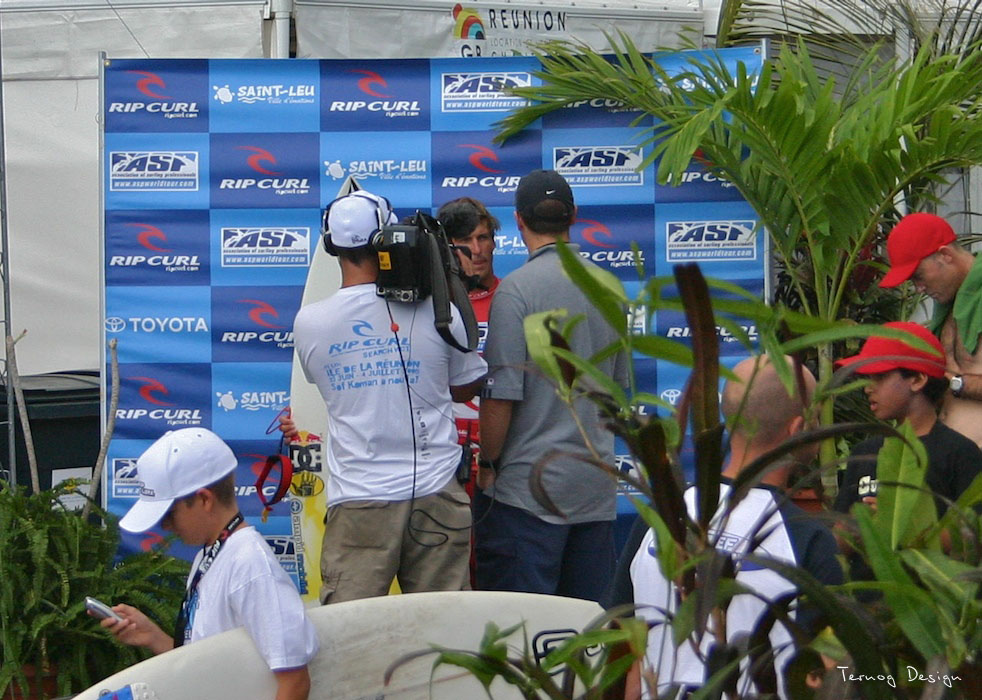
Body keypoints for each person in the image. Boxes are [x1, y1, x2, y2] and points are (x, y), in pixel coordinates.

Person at [284, 189, 487, 604]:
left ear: (331, 246)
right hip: (437, 495)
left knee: (352, 630)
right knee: (444, 628)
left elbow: (328, 388)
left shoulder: (310, 323)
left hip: (359, 503)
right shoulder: (439, 309)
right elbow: (467, 385)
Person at [606, 356, 843, 699]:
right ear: (797, 428)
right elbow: (827, 673)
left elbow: (624, 654)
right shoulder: (806, 537)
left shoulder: (659, 517)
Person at [475, 169, 629, 601]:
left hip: (528, 493)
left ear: (519, 220)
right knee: (585, 626)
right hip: (593, 487)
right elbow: (618, 395)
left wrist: (487, 466)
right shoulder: (610, 287)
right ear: (573, 216)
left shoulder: (516, 291)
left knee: (524, 628)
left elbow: (501, 396)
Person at [101, 428, 318, 700]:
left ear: (204, 500)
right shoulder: (210, 556)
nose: (165, 526)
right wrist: (153, 637)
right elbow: (207, 670)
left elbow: (295, 683)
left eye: (168, 514)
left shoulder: (250, 564)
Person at [833, 321, 982, 519]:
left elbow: (973, 530)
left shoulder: (960, 454)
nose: (868, 388)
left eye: (879, 377)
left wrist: (907, 523)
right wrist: (862, 522)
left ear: (918, 380)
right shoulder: (863, 453)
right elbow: (838, 531)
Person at [878, 212, 982, 447]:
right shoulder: (946, 311)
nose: (918, 289)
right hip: (950, 458)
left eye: (918, 276)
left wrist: (955, 383)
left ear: (945, 255)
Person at [436, 197, 500, 481]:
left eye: (483, 238)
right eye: (465, 240)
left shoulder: (513, 299)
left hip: (498, 459)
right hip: (440, 460)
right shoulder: (430, 308)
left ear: (494, 243)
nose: (476, 250)